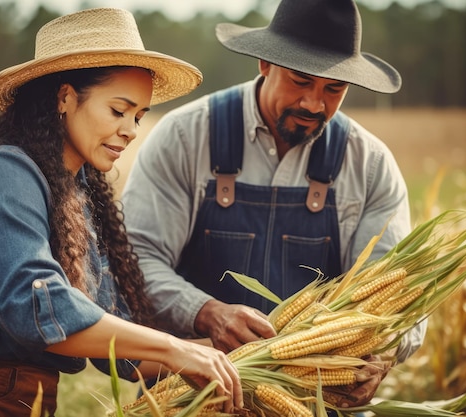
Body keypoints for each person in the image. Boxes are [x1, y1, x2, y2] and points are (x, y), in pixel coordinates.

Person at [0, 8, 244, 417]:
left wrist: (238, 357)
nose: (132, 130)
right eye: (119, 111)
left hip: (33, 404)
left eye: (138, 116)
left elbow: (123, 356)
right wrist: (174, 349)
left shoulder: (77, 197)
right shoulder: (1, 173)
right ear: (64, 97)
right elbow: (35, 306)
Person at [121, 0, 426, 410]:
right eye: (301, 81)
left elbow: (396, 292)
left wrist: (384, 353)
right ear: (265, 63)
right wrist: (206, 312)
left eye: (334, 89)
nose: (315, 104)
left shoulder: (370, 166)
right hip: (193, 399)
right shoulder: (184, 137)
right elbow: (137, 259)